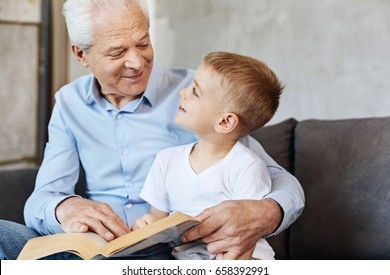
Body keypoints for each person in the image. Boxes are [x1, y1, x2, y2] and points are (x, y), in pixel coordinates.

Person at [0, 0, 304, 260]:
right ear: (81, 55)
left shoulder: (195, 96)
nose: (136, 62)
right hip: (92, 246)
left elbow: (280, 180)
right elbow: (42, 198)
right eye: (117, 52)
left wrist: (268, 211)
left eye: (143, 43)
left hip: (166, 249)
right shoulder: (69, 104)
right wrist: (64, 207)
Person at [132, 51, 282, 260]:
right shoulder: (166, 160)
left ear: (224, 122)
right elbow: (156, 224)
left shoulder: (247, 167)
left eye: (195, 91)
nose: (183, 92)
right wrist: (144, 228)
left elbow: (245, 236)